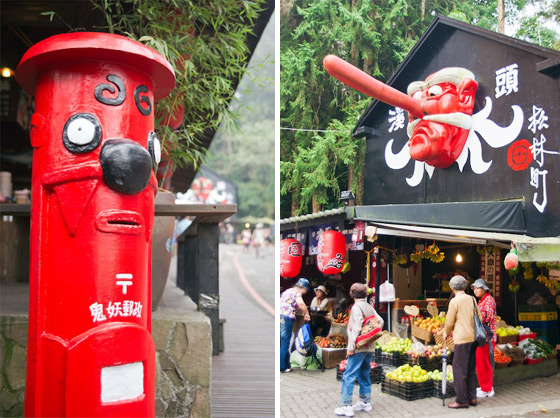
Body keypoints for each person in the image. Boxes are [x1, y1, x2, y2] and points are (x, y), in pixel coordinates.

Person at [335, 283, 383, 417]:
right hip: (369, 347)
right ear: (365, 294)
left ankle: (346, 406)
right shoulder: (369, 307)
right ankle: (365, 402)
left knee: (349, 375)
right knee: (364, 373)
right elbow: (380, 321)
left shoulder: (356, 308)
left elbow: (355, 329)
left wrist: (351, 348)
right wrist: (369, 335)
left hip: (358, 347)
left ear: (351, 294)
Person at [440, 275, 483, 409]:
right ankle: (472, 397)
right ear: (465, 286)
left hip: (461, 339)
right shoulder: (472, 299)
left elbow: (449, 321)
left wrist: (446, 332)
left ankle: (461, 400)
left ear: (452, 287)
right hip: (473, 338)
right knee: (470, 369)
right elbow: (479, 317)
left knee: (459, 370)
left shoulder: (454, 301)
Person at [472, 278, 497, 398]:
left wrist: (475, 318)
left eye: (478, 288)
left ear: (484, 289)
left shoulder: (489, 300)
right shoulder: (483, 300)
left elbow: (487, 317)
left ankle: (487, 389)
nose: (476, 291)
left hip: (487, 337)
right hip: (483, 337)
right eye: (474, 289)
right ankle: (485, 387)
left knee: (485, 363)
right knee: (482, 362)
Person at [279, 278, 311, 373]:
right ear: (302, 287)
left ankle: (286, 365)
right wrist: (307, 313)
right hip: (286, 318)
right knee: (285, 342)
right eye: (306, 290)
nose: (305, 292)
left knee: (282, 341)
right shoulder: (297, 292)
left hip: (279, 316)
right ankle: (283, 367)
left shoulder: (287, 291)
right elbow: (300, 303)